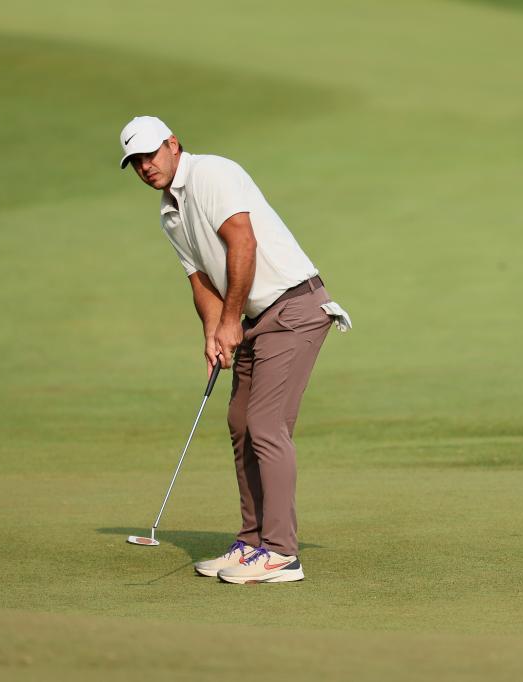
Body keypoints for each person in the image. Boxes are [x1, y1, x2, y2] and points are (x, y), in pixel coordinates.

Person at [118, 116, 350, 584]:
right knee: (241, 422)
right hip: (256, 318)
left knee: (266, 424)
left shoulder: (212, 174)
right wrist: (213, 331)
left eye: (151, 154)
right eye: (136, 162)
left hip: (294, 307)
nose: (145, 167)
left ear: (173, 144)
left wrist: (230, 322)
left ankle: (282, 553)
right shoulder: (170, 212)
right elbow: (200, 279)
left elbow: (242, 243)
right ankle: (252, 543)